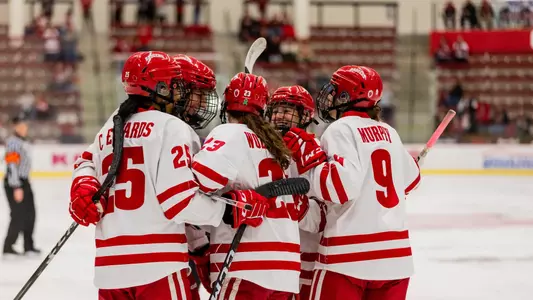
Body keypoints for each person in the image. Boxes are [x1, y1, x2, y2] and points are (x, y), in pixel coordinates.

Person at [67, 51, 270, 300]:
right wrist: (229, 209)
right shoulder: (173, 129)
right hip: (159, 266)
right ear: (163, 88)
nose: (191, 101)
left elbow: (87, 161)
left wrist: (83, 185)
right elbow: (180, 202)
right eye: (187, 91)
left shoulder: (112, 124)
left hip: (110, 268)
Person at [282, 66, 421, 300]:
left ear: (346, 96)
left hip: (348, 257)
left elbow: (339, 188)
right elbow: (411, 181)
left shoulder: (340, 129)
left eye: (335, 91)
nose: (329, 96)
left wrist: (310, 162)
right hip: (395, 260)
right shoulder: (389, 132)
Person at [189, 73, 303, 299]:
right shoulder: (276, 143)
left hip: (245, 263)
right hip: (286, 268)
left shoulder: (229, 132)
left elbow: (199, 180)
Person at [265, 85, 327, 300]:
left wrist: (292, 205)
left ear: (305, 116)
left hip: (308, 256)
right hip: (272, 256)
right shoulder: (261, 149)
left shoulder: (316, 150)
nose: (280, 116)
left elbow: (323, 215)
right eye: (276, 110)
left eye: (288, 110)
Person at [2, 115, 39, 257]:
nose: (24, 129)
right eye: (21, 126)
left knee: (31, 214)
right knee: (18, 215)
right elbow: (11, 166)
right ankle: (8, 246)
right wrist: (16, 186)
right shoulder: (13, 143)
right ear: (15, 127)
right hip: (15, 183)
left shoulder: (24, 142)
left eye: (25, 126)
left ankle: (28, 246)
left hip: (25, 181)